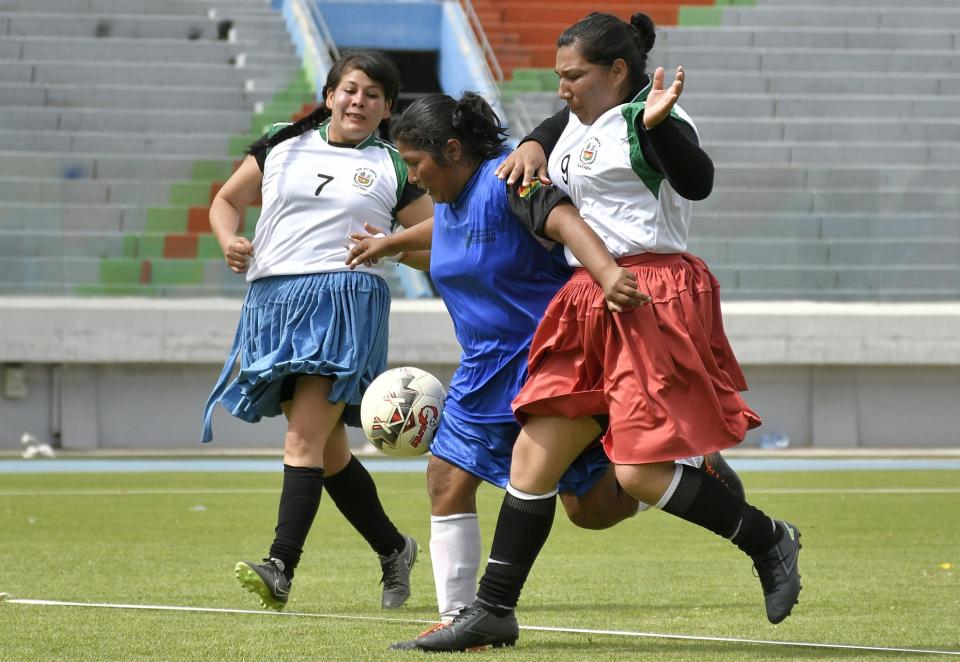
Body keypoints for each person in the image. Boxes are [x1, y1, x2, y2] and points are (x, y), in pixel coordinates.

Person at [391, 12, 802, 652]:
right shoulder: (574, 130)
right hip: (587, 298)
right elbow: (555, 141)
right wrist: (531, 140)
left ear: (616, 72)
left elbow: (697, 182)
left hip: (645, 292)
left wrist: (661, 128)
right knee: (535, 456)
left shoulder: (653, 120)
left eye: (573, 75)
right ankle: (493, 611)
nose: (562, 88)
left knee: (636, 476)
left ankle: (766, 538)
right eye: (559, 76)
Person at [344, 90, 746, 628]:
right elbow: (452, 234)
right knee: (445, 475)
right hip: (481, 369)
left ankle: (692, 468)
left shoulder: (507, 179)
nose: (412, 178)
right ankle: (459, 617)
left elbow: (564, 219)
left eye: (415, 163)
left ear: (454, 150)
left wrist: (605, 274)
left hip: (548, 360)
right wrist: (392, 243)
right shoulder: (450, 203)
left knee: (592, 510)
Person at [200, 50, 434, 612]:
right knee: (327, 453)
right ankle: (393, 548)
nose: (359, 101)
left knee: (303, 440)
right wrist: (228, 240)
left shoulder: (394, 164)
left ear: (386, 109)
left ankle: (280, 566)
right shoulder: (283, 140)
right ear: (330, 95)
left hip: (345, 304)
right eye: (350, 90)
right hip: (273, 304)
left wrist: (391, 250)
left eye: (373, 95)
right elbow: (226, 201)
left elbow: (440, 242)